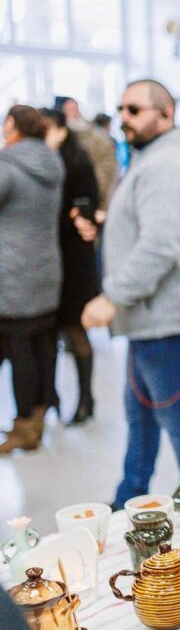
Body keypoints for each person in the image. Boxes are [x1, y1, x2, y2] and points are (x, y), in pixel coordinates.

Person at [78, 79, 180, 508]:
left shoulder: (164, 165)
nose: (124, 117)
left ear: (166, 114)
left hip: (169, 320)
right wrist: (108, 225)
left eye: (135, 109)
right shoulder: (152, 159)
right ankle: (128, 501)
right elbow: (153, 228)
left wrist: (111, 297)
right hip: (152, 319)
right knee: (141, 416)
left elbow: (160, 247)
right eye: (122, 108)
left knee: (177, 417)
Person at [0, 106, 65, 454]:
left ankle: (24, 425)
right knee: (42, 345)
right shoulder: (52, 161)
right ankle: (39, 416)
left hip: (12, 274)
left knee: (19, 350)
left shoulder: (8, 166)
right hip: (47, 269)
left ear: (12, 127)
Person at [41, 109, 101, 425]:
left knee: (75, 330)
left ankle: (85, 399)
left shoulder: (75, 163)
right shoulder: (48, 161)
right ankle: (51, 396)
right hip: (54, 258)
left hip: (75, 260)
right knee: (50, 332)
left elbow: (84, 211)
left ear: (62, 130)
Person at [56, 96, 120, 214]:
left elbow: (105, 173)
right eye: (69, 110)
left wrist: (90, 199)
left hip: (91, 205)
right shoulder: (56, 142)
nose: (73, 114)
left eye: (75, 109)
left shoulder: (98, 140)